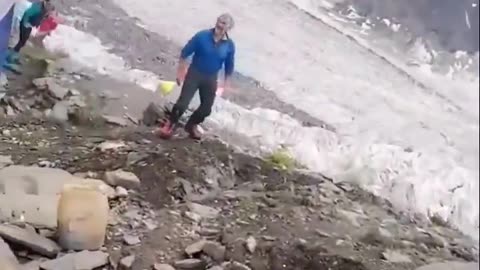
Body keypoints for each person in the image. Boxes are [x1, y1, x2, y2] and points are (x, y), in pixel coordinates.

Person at [158, 13, 236, 140]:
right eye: (219, 21)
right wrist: (180, 72)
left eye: (224, 24)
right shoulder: (202, 36)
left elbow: (229, 65)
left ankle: (191, 125)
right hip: (195, 73)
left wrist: (226, 84)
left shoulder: (229, 45)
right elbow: (185, 53)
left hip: (210, 78)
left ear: (229, 28)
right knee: (182, 105)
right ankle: (170, 124)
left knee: (206, 109)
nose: (220, 25)